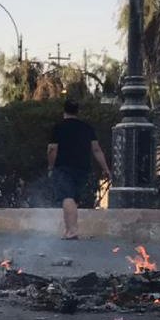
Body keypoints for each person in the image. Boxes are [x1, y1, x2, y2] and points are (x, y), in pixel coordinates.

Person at [47, 99, 111, 239]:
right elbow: (96, 149)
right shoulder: (86, 128)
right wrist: (105, 168)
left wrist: (51, 166)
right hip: (83, 168)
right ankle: (69, 229)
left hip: (63, 167)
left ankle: (72, 230)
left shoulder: (59, 127)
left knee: (66, 197)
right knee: (73, 199)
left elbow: (52, 149)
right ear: (77, 111)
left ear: (64, 111)